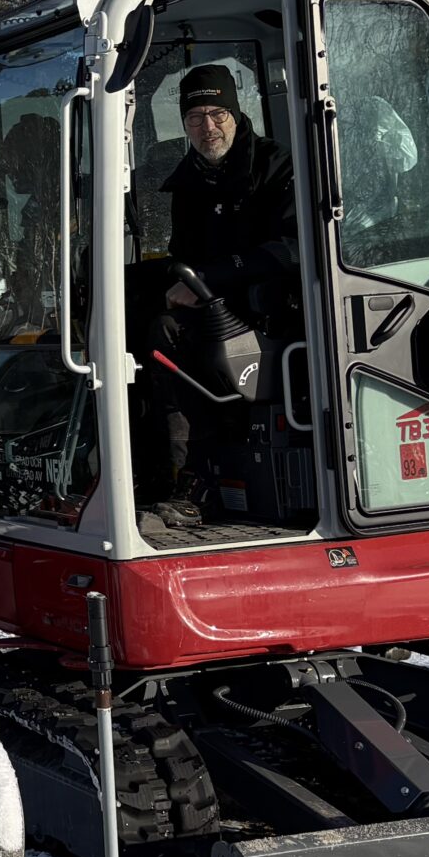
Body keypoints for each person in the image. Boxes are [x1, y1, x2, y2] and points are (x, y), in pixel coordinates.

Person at [136, 64, 298, 524]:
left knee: (169, 334)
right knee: (128, 313)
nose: (207, 126)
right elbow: (182, 253)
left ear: (235, 112)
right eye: (195, 117)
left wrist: (208, 279)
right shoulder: (188, 181)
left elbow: (292, 249)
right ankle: (140, 467)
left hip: (274, 306)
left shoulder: (277, 164)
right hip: (210, 300)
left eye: (217, 113)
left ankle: (193, 476)